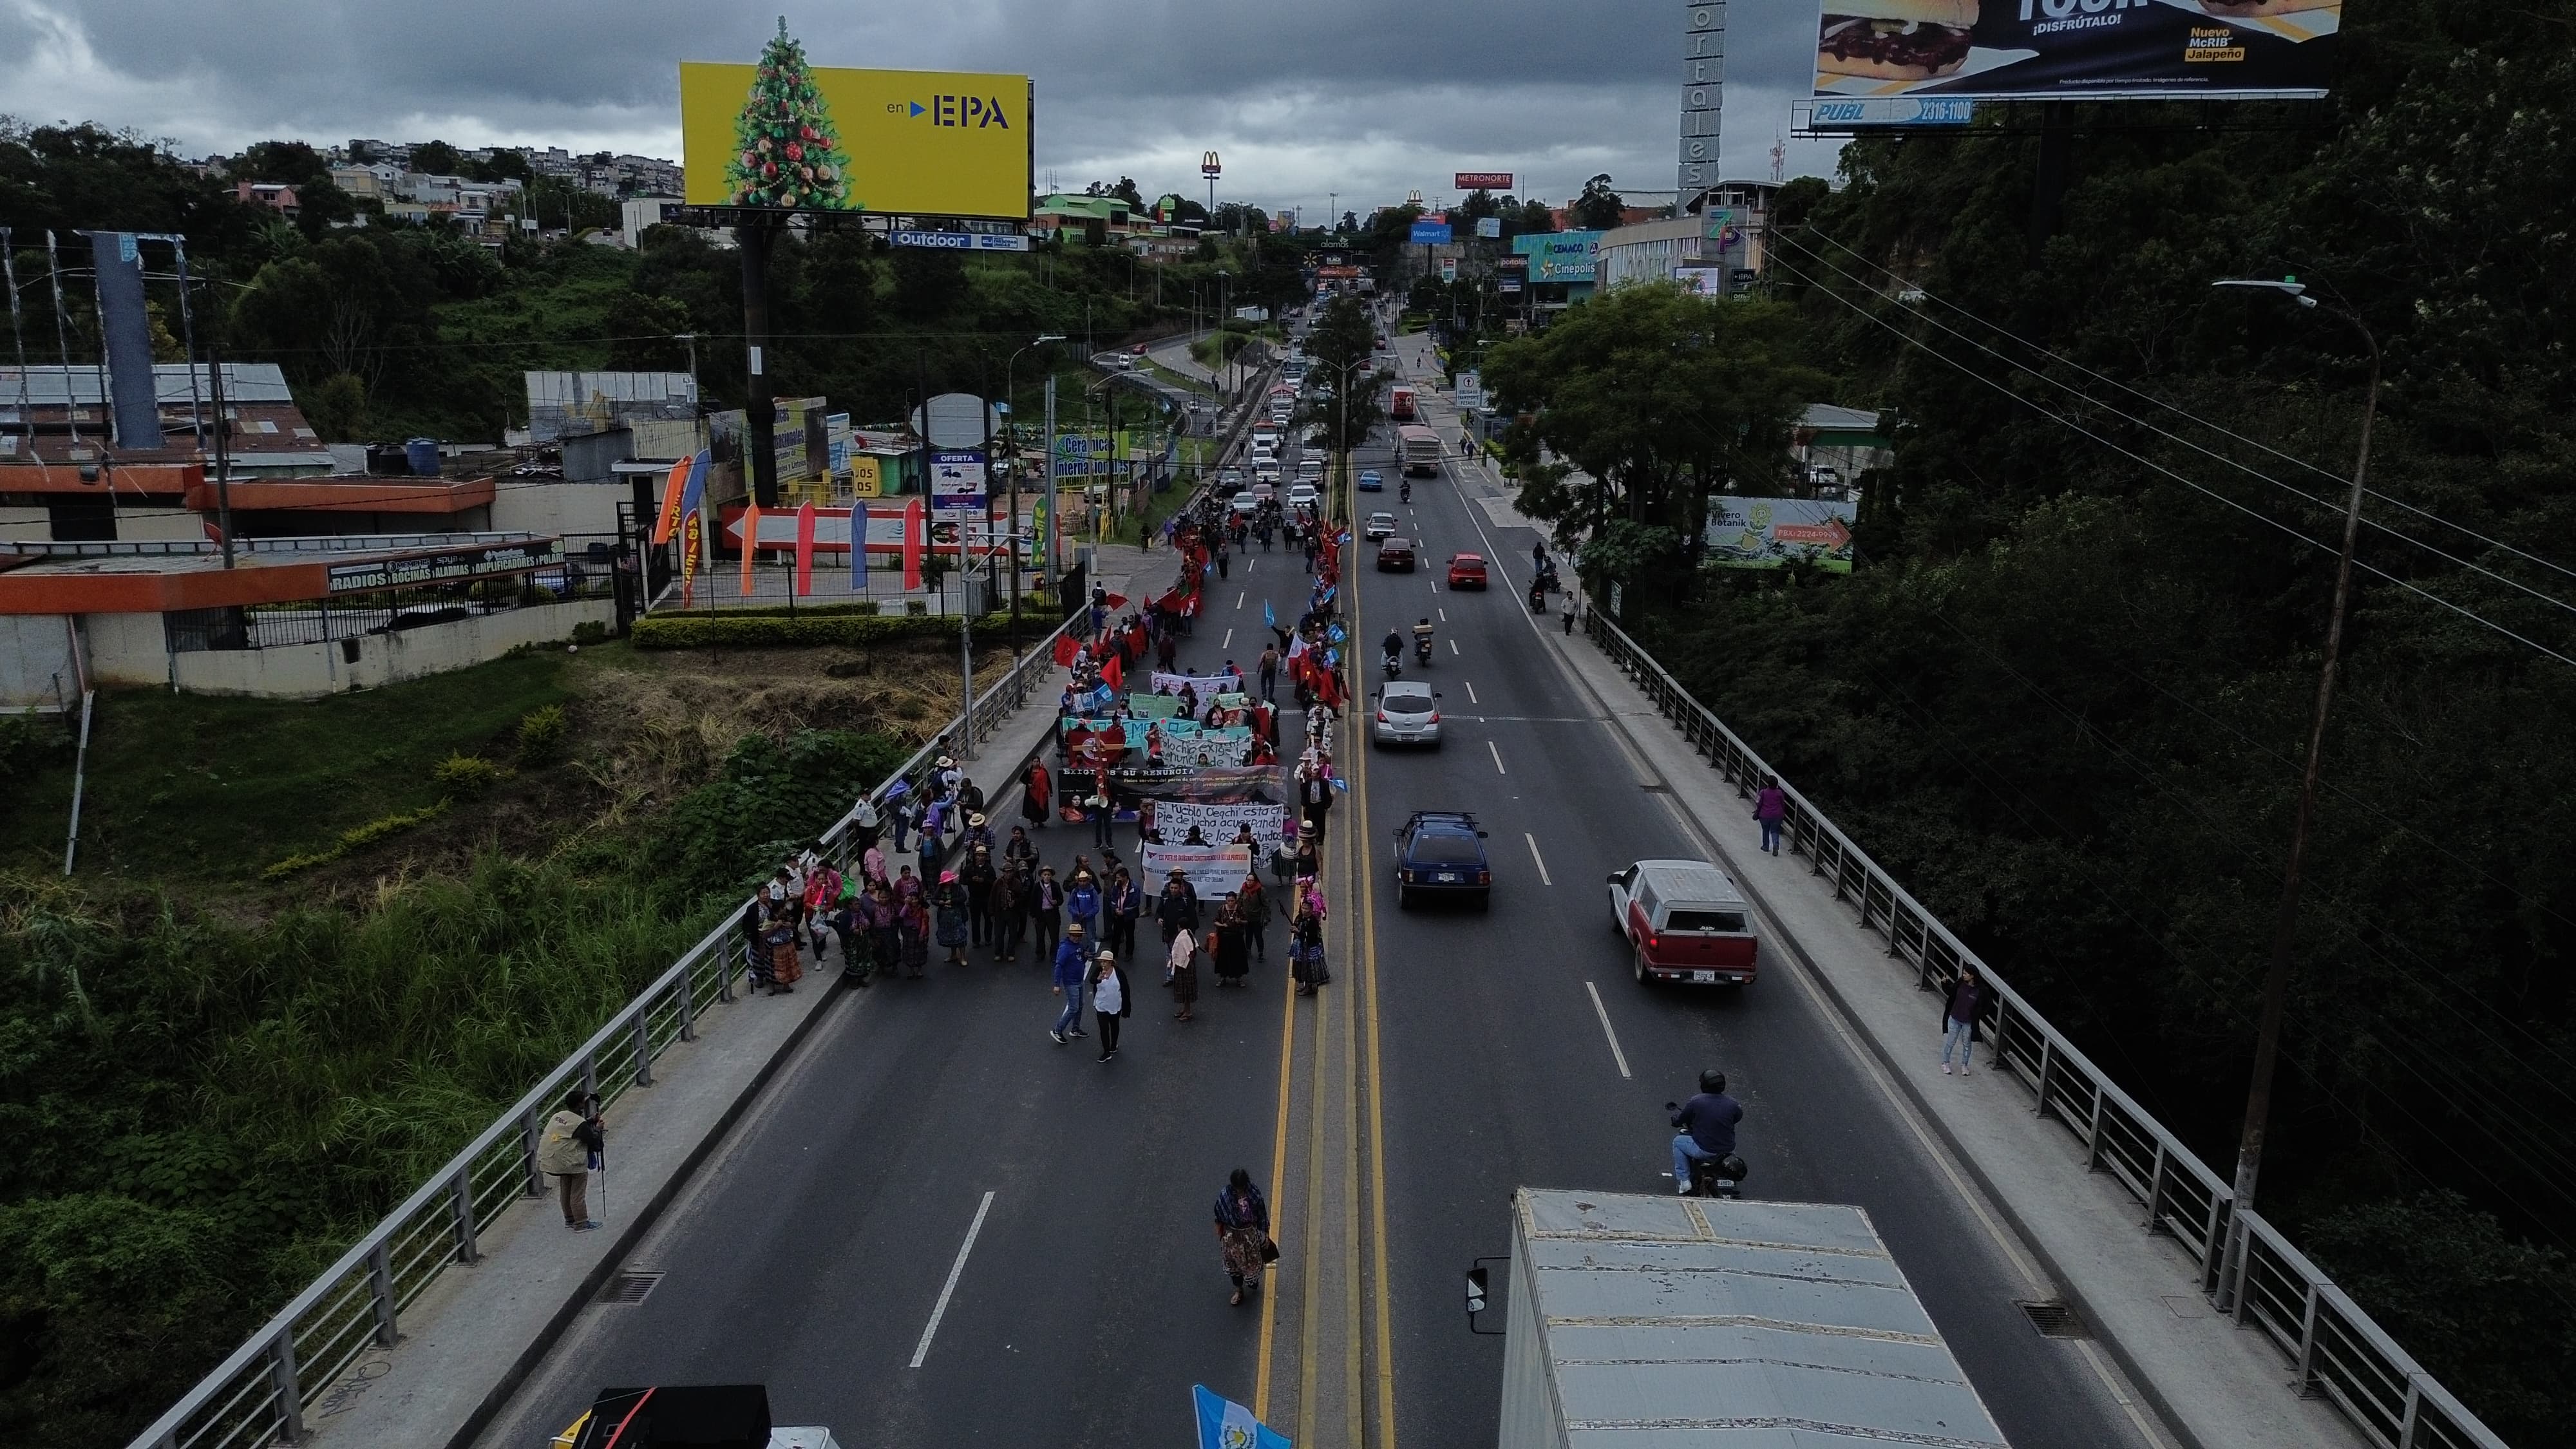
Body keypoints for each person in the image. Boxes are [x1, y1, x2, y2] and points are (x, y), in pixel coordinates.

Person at [1669, 1070, 1745, 1195]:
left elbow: (1682, 1119)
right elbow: (1737, 1118)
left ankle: (1684, 1182)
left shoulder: (1696, 1101)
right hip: (1728, 1150)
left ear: (1704, 1085)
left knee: (1678, 1142)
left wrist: (1675, 1121)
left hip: (1704, 1149)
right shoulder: (1733, 1104)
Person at [538, 1092, 604, 1231]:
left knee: (566, 1189)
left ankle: (570, 1219)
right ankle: (581, 1223)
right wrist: (598, 1130)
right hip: (571, 1161)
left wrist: (590, 1121)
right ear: (580, 1104)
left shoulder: (559, 1115)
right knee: (577, 1193)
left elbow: (573, 1128)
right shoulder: (579, 1123)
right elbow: (593, 1141)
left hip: (554, 1159)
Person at [1213, 1168, 1273, 1305]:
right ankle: (1239, 1290)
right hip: (1232, 1238)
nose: (1239, 1191)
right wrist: (1221, 1233)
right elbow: (1218, 1214)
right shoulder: (1226, 1195)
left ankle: (1252, 1282)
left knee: (1251, 1267)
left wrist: (1266, 1234)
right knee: (1235, 1267)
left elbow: (1262, 1215)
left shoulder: (1254, 1195)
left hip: (1250, 1238)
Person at [1050, 922, 1092, 1044]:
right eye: (1074, 935)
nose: (1077, 937)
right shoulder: (1065, 948)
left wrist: (1085, 956)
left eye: (1079, 935)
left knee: (1080, 1005)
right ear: (1069, 935)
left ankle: (1075, 1029)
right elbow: (1059, 966)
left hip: (1079, 980)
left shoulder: (1079, 945)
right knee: (1074, 1007)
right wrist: (1057, 985)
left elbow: (1081, 960)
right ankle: (1058, 1030)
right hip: (1071, 982)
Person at [1942, 968, 1986, 1075]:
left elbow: (1987, 1005)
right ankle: (1945, 1063)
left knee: (1967, 1044)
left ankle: (1964, 1065)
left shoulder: (1980, 990)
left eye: (1966, 974)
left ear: (1972, 976)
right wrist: (1945, 983)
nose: (1963, 975)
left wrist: (1978, 1015)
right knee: (1950, 1042)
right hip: (1955, 1018)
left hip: (1968, 1021)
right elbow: (1951, 992)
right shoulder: (1960, 983)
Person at [1088, 949, 1129, 1062]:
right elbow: (1091, 980)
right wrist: (1098, 979)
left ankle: (1114, 1045)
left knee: (1115, 1026)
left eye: (1105, 962)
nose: (1103, 964)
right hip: (1101, 1005)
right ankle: (1106, 1052)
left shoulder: (1119, 973)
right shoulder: (1098, 971)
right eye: (1101, 962)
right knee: (1104, 1029)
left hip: (1115, 1006)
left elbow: (1125, 990)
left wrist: (1126, 1009)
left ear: (1111, 962)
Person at [990, 862, 1028, 962]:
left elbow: (1022, 897)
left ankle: (1010, 953)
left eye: (1010, 872)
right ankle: (999, 953)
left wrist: (1015, 902)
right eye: (1006, 872)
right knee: (999, 934)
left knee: (1012, 934)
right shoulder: (998, 883)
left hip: (1012, 913)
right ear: (1003, 873)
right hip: (1000, 912)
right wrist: (991, 912)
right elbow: (993, 898)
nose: (1008, 874)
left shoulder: (1017, 883)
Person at [1210, 895, 1251, 987]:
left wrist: (1240, 921)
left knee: (1237, 958)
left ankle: (1238, 978)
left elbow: (1247, 921)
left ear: (1235, 901)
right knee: (1223, 958)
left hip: (1237, 938)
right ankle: (1223, 978)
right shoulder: (1221, 909)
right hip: (1224, 937)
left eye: (1232, 901)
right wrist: (1221, 925)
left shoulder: (1240, 909)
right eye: (1229, 901)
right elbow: (1215, 921)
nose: (1231, 903)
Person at [934, 870, 971, 967]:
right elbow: (934, 900)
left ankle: (963, 957)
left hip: (957, 916)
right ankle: (953, 955)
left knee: (960, 937)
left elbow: (963, 898)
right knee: (951, 938)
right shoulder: (940, 890)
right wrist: (940, 902)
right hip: (945, 917)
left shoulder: (957, 888)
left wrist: (952, 901)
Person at [961, 847, 997, 947]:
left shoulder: (989, 868)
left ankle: (988, 939)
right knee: (975, 920)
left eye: (982, 856)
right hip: (974, 898)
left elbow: (994, 881)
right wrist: (972, 880)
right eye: (979, 855)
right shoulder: (969, 867)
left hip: (986, 897)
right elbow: (963, 880)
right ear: (975, 856)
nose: (980, 858)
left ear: (985, 857)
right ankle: (976, 941)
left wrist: (984, 881)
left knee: (988, 919)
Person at [1167, 920, 1200, 1022]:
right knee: (1184, 989)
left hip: (1184, 967)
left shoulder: (1184, 937)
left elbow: (1190, 952)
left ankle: (1188, 1012)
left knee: (1186, 989)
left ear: (1179, 926)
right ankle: (1184, 1009)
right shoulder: (1188, 933)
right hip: (1184, 966)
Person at [1031, 866, 1065, 963]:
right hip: (1040, 914)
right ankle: (1040, 954)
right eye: (1045, 875)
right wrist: (1033, 916)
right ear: (1042, 876)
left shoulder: (1056, 885)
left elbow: (1061, 899)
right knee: (1040, 936)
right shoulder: (1037, 886)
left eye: (1048, 875)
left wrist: (1056, 902)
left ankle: (1054, 955)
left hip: (1052, 914)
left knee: (1054, 936)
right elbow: (1033, 901)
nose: (1047, 877)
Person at [1106, 865, 1142, 956]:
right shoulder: (1116, 886)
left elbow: (1135, 903)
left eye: (1119, 878)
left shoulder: (1134, 888)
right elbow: (1113, 898)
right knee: (1116, 936)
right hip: (1117, 915)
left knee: (1129, 936)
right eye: (1117, 878)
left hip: (1129, 917)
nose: (1117, 880)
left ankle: (1129, 954)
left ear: (1125, 877)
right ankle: (1114, 954)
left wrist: (1124, 911)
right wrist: (1116, 909)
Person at [1156, 868, 1200, 942]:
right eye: (1172, 888)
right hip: (1169, 932)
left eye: (1176, 888)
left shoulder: (1186, 900)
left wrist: (1191, 932)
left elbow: (1193, 917)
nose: (1173, 890)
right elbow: (1159, 912)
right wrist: (1159, 919)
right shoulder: (1165, 899)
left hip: (1183, 933)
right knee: (1170, 953)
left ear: (1179, 888)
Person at [1754, 775, 1788, 857]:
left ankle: (1766, 846)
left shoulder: (1763, 792)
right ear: (1776, 784)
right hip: (1777, 815)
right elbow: (1782, 804)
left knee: (1765, 830)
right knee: (1775, 831)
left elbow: (1758, 802)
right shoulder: (1779, 793)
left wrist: (1758, 810)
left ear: (1768, 784)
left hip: (1764, 815)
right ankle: (1775, 844)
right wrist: (1783, 812)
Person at [1022, 757, 1054, 829]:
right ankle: (1032, 823)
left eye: (1037, 761)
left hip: (1041, 793)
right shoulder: (1029, 770)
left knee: (1041, 808)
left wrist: (1051, 791)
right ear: (1032, 762)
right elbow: (1022, 779)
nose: (1036, 763)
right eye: (1034, 761)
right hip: (1031, 793)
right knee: (1032, 808)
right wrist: (1028, 784)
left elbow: (1048, 781)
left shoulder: (1043, 771)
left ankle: (1040, 822)